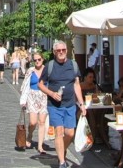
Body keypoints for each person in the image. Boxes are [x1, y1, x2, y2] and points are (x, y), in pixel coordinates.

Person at [39, 40, 85, 168]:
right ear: (54, 52)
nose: (61, 52)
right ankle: (62, 162)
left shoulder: (73, 65)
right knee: (59, 132)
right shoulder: (50, 66)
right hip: (54, 106)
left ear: (67, 51)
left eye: (63, 50)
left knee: (70, 133)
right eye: (58, 50)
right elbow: (40, 84)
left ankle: (61, 150)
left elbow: (76, 85)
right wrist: (52, 94)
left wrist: (81, 103)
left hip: (70, 104)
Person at [21, 50, 50, 157]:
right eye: (35, 60)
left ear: (43, 59)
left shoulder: (47, 71)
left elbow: (51, 83)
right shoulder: (30, 71)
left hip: (43, 97)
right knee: (33, 122)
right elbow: (25, 86)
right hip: (32, 97)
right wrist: (23, 101)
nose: (37, 61)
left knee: (42, 122)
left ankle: (40, 146)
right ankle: (30, 135)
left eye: (39, 59)